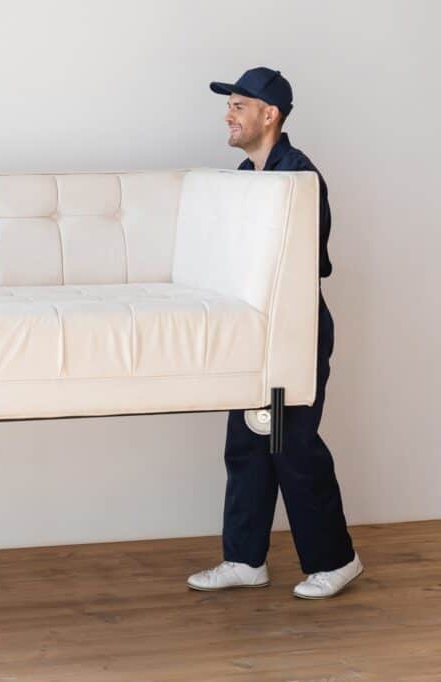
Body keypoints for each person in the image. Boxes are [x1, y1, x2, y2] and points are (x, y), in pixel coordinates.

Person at [187, 67, 363, 600]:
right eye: (230, 105)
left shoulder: (299, 178)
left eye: (238, 105)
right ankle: (244, 559)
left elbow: (298, 263)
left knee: (293, 443)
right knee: (246, 443)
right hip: (252, 326)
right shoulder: (244, 177)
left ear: (270, 114)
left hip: (295, 327)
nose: (228, 115)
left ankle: (336, 560)